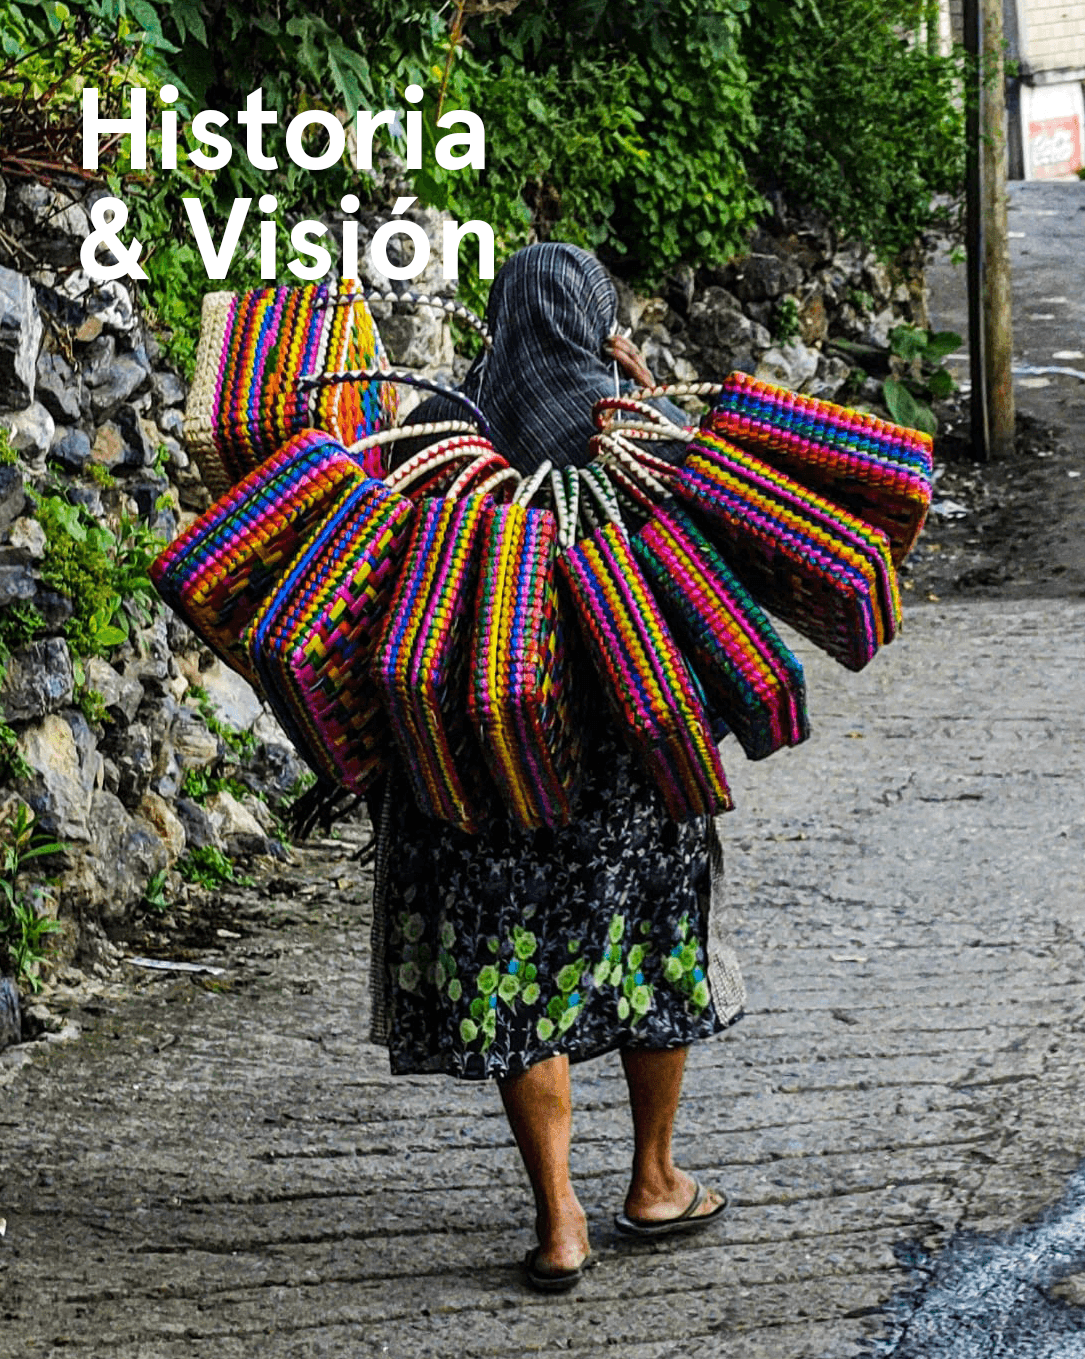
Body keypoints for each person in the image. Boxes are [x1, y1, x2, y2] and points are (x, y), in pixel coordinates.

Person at [368, 242, 745, 1292]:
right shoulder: (633, 433)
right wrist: (632, 382)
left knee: (517, 969)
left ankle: (559, 1221)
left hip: (483, 758)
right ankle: (655, 1180)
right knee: (650, 946)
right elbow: (709, 555)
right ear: (592, 315)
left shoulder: (437, 430)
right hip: (626, 751)